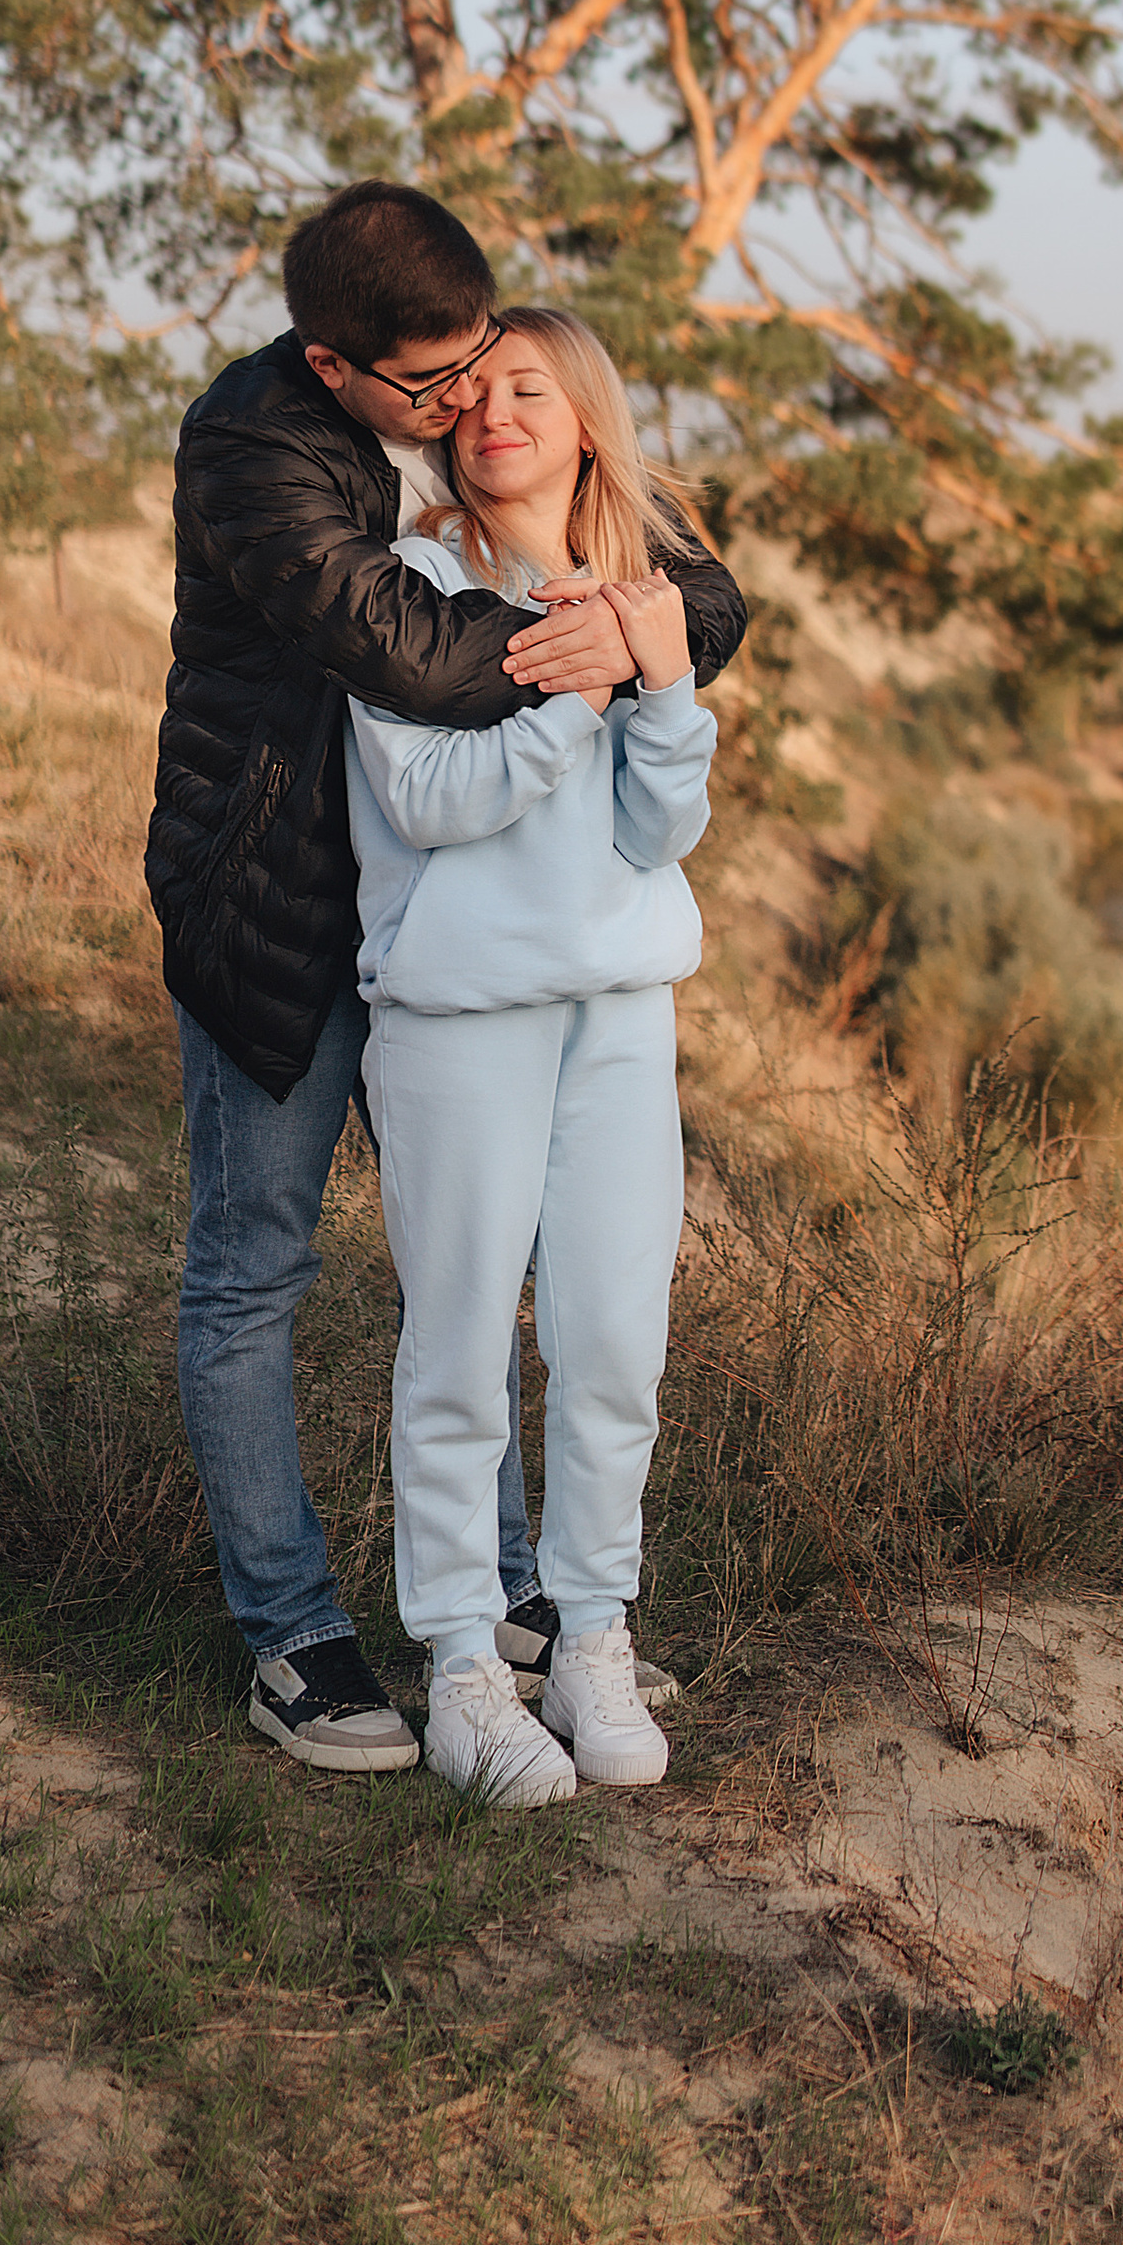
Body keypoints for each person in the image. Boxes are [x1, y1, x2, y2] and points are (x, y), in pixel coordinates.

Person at [146, 184, 747, 1772]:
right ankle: (306, 1639)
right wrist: (597, 649)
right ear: (336, 365)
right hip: (283, 895)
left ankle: (550, 1621)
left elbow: (701, 592)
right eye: (436, 386)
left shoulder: (467, 408)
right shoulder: (264, 454)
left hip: (535, 960)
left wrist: (653, 626)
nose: (465, 402)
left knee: (536, 1313)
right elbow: (413, 667)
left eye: (490, 367)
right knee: (265, 1263)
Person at [347, 309, 714, 1805]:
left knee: (616, 1339)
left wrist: (664, 680)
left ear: (584, 422)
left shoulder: (639, 594)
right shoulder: (409, 584)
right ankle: (458, 1667)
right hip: (460, 1015)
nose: (495, 409)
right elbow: (428, 799)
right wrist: (568, 691)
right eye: (475, 390)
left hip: (624, 1008)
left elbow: (660, 831)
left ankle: (592, 1636)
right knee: (458, 1351)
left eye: (529, 388)